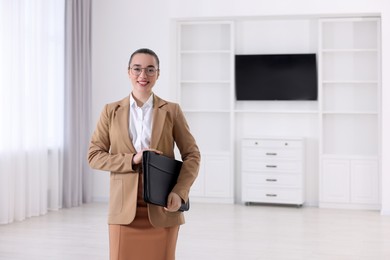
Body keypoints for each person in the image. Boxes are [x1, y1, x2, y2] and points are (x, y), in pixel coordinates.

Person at [88, 48, 201, 260]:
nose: (143, 76)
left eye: (150, 70)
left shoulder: (172, 111)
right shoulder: (110, 111)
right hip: (123, 210)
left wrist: (180, 192)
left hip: (164, 205)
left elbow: (192, 155)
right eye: (137, 69)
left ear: (158, 74)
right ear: (128, 72)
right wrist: (132, 159)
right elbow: (94, 155)